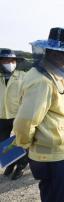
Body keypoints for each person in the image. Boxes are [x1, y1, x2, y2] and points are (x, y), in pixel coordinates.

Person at [13, 27, 64, 202]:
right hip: (50, 156)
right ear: (59, 54)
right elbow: (25, 122)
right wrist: (26, 145)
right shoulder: (41, 81)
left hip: (63, 152)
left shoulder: (55, 75)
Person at [0, 48, 28, 180]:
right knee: (4, 142)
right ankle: (11, 163)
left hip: (19, 115)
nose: (9, 62)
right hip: (2, 115)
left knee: (21, 140)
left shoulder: (23, 76)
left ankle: (21, 166)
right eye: (6, 60)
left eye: (12, 60)